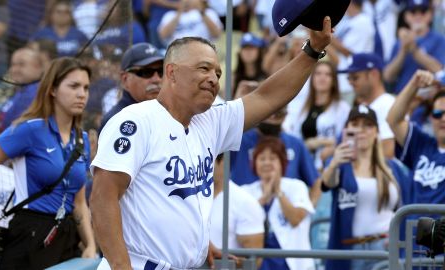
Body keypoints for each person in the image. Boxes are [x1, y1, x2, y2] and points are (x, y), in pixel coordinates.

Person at [90, 15, 332, 270]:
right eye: (203, 69)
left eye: (217, 72)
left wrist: (313, 50)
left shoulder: (209, 122)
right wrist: (120, 267)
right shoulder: (135, 121)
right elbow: (102, 197)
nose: (214, 79)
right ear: (171, 72)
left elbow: (268, 97)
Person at [0, 57, 97, 269]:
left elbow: (79, 203)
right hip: (30, 235)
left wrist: (90, 245)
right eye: (73, 86)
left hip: (67, 238)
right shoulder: (30, 130)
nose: (82, 94)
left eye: (86, 87)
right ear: (52, 90)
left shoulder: (81, 140)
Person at [322, 105, 408, 270]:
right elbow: (327, 183)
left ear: (376, 132)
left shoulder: (392, 169)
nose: (361, 130)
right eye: (355, 124)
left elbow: (406, 204)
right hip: (351, 249)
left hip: (386, 246)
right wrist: (334, 162)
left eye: (367, 125)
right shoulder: (340, 165)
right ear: (346, 130)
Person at [241, 137, 315, 270]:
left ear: (282, 163)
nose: (267, 163)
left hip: (292, 263)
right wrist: (264, 198)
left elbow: (295, 219)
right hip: (261, 262)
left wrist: (278, 192)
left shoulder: (296, 186)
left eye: (273, 158)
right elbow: (242, 221)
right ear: (254, 163)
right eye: (262, 159)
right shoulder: (246, 191)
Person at [386, 69, 445, 205]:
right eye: (437, 113)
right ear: (431, 118)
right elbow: (393, 120)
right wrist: (414, 83)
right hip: (413, 225)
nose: (443, 119)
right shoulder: (422, 144)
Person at [290, 61, 350, 170]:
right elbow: (294, 137)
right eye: (318, 74)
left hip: (330, 166)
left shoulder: (342, 108)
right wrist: (308, 144)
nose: (322, 78)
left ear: (334, 81)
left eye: (327, 74)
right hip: (303, 165)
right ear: (312, 78)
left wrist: (321, 142)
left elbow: (346, 138)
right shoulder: (301, 106)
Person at [210, 153, 265, 268]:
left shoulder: (245, 202)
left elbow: (254, 260)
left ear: (223, 162)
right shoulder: (189, 198)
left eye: (208, 161)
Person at [339, 53, 396, 158]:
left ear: (374, 74)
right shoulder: (363, 106)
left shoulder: (389, 104)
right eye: (349, 78)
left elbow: (389, 150)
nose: (351, 82)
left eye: (355, 78)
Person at [99, 42, 164, 133]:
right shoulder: (117, 121)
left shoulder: (170, 114)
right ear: (125, 79)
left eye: (161, 71)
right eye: (146, 72)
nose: (157, 79)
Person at [383, 0, 445, 94]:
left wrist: (414, 49)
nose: (418, 16)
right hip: (400, 96)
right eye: (413, 12)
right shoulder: (399, 42)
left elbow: (439, 70)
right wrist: (403, 50)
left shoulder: (439, 40)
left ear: (431, 15)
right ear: (406, 16)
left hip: (425, 100)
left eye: (423, 12)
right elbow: (387, 76)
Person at [0, 47, 44, 131]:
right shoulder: (21, 89)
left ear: (38, 67)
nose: (15, 69)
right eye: (13, 65)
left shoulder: (36, 91)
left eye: (21, 64)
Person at [158, 0, 223, 46]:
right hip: (178, 53)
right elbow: (163, 35)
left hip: (202, 51)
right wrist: (179, 11)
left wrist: (202, 11)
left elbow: (216, 34)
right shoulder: (170, 15)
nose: (187, 1)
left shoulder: (209, 13)